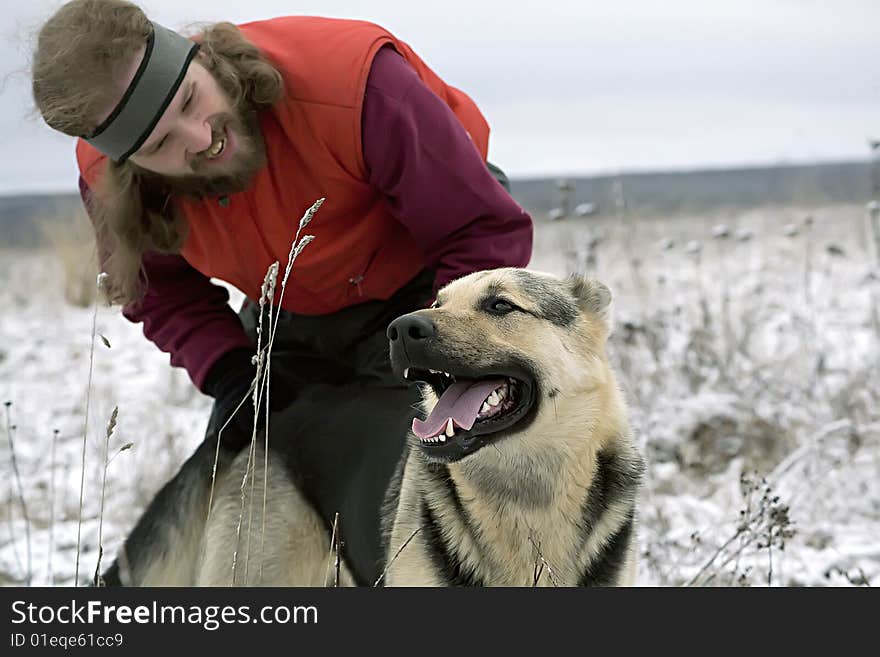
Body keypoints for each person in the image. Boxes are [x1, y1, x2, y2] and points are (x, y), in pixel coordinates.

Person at [32, 0, 533, 584]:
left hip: (426, 287)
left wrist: (443, 352)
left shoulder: (356, 85)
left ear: (204, 59)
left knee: (398, 484)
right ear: (131, 164)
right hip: (287, 306)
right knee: (234, 484)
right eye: (161, 145)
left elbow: (480, 231)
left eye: (192, 101)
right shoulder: (108, 181)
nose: (200, 139)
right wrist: (229, 374)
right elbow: (160, 294)